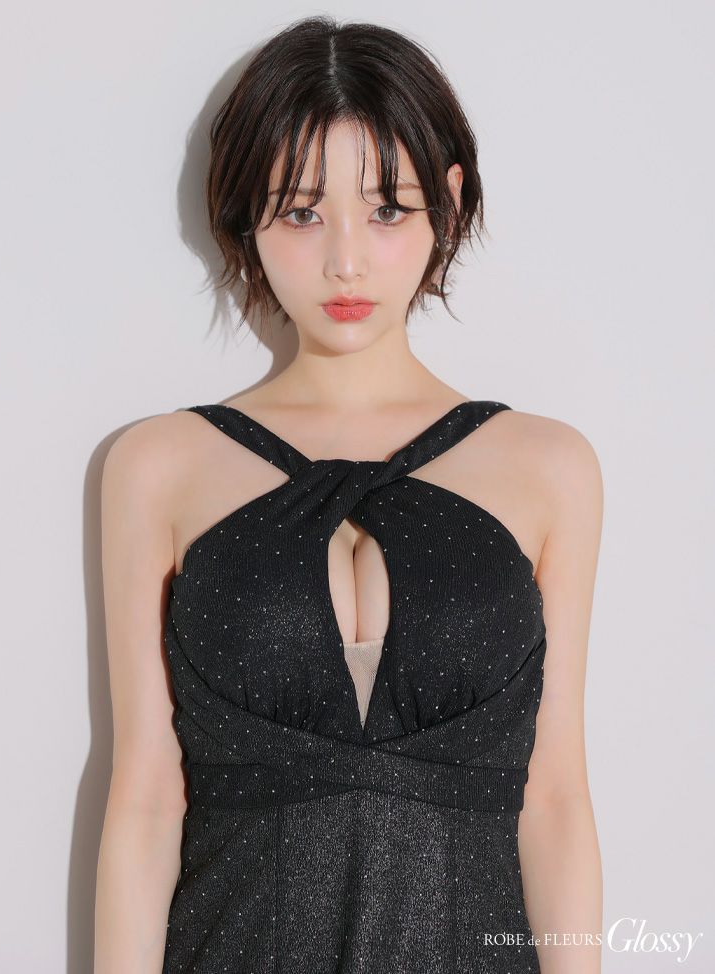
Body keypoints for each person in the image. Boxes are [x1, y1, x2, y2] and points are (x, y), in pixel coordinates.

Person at [95, 15, 603, 974]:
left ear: (449, 202)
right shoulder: (158, 466)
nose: (345, 261)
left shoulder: (549, 467)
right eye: (300, 212)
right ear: (245, 215)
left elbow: (557, 802)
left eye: (387, 209)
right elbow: (146, 800)